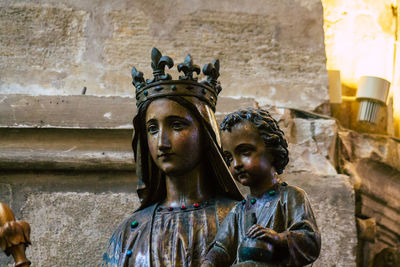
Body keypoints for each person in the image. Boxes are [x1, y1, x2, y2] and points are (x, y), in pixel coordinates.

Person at [102, 48, 243, 267]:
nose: (162, 143)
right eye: (152, 129)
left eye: (177, 125)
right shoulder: (131, 232)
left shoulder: (239, 218)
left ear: (205, 133)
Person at [202, 108, 321, 267]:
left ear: (272, 149)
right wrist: (209, 262)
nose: (236, 164)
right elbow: (222, 247)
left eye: (245, 152)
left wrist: (279, 238)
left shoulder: (291, 197)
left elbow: (310, 241)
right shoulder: (239, 211)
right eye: (229, 158)